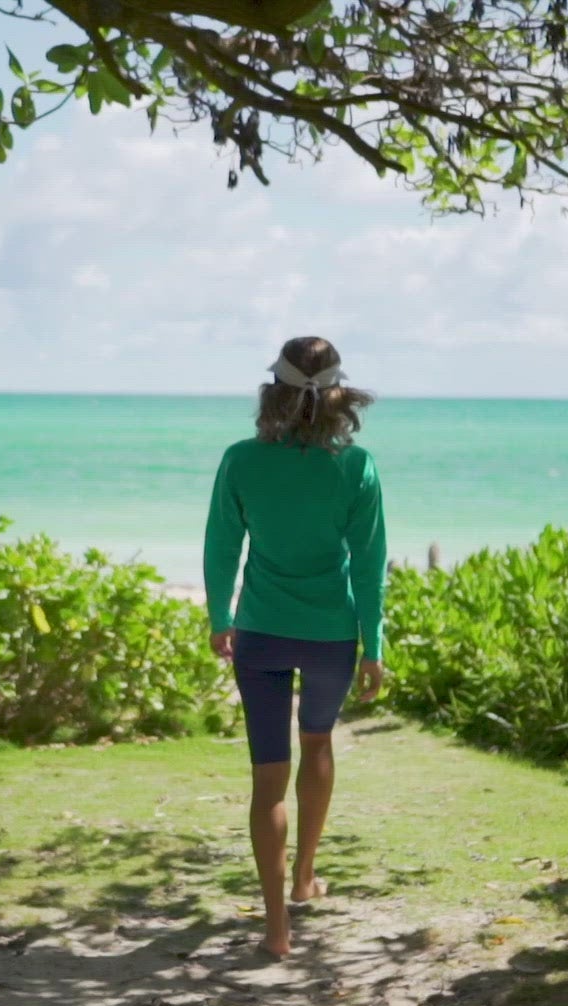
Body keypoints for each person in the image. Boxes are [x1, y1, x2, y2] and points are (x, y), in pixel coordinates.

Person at [203, 335, 388, 960]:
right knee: (317, 744)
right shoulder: (356, 467)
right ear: (340, 396)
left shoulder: (240, 460)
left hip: (260, 632)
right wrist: (374, 646)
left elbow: (221, 547)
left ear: (272, 390)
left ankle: (276, 927)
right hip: (333, 635)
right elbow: (369, 565)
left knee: (267, 778)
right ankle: (306, 877)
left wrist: (218, 616)